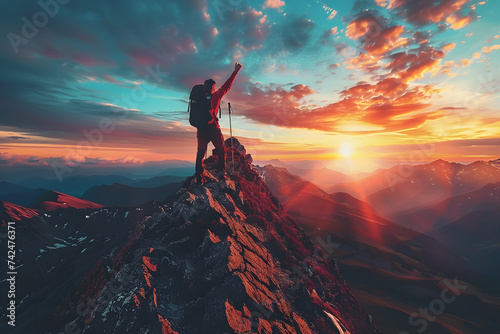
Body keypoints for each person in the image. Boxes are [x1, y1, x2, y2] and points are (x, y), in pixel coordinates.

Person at [195, 62, 243, 183]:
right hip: (213, 129)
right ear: (213, 88)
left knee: (201, 152)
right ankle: (221, 173)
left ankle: (199, 176)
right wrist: (235, 71)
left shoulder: (198, 97)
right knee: (221, 151)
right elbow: (227, 86)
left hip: (201, 129)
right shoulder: (215, 96)